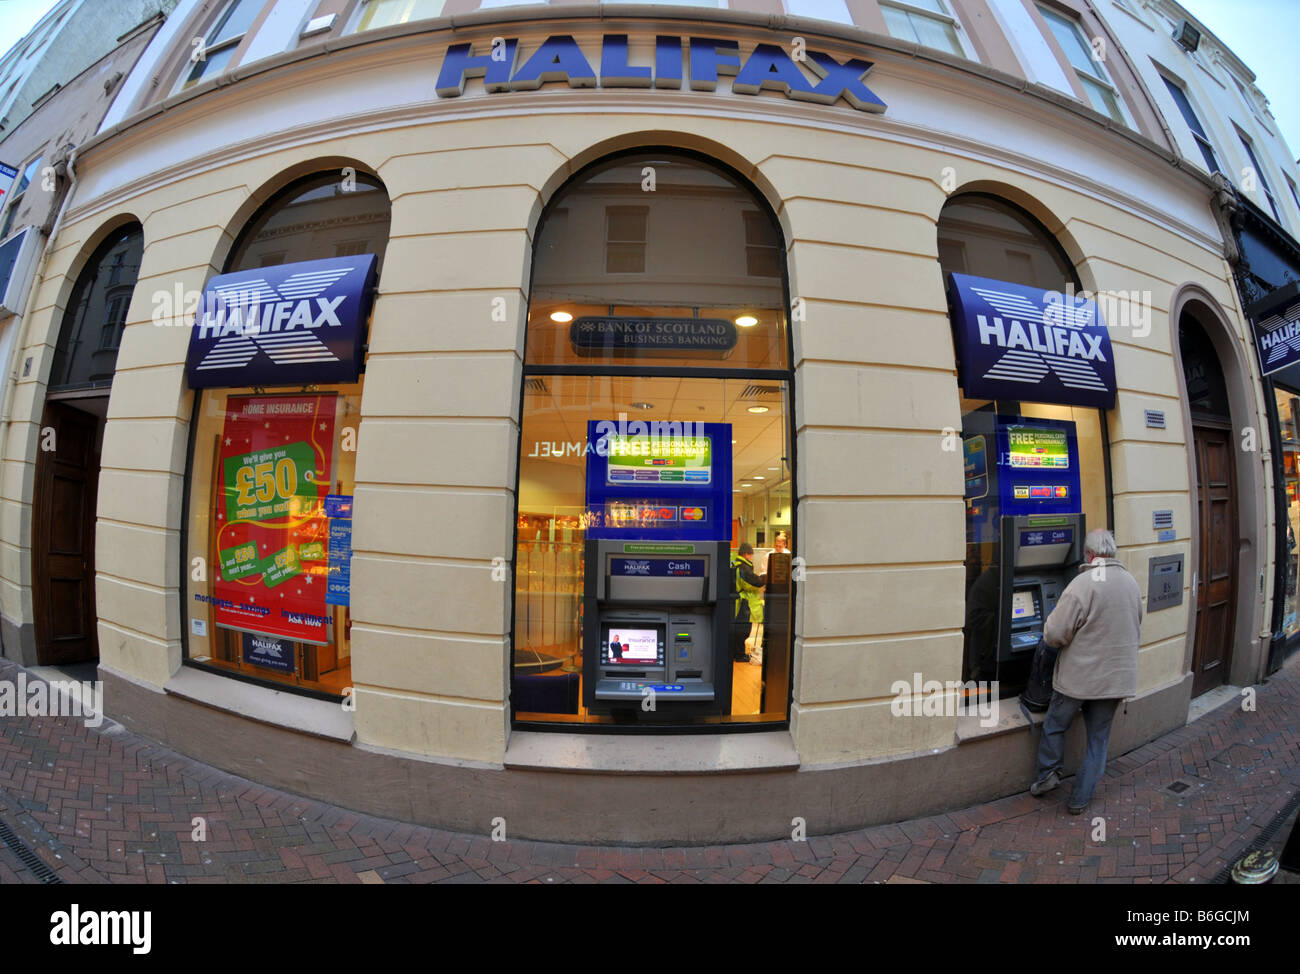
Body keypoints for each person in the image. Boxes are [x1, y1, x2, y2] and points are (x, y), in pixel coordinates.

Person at [1028, 528, 1142, 814]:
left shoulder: (1084, 583)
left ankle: (1047, 776)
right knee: (1098, 741)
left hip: (1078, 679)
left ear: (1089, 555)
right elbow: (1137, 623)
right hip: (1116, 679)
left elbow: (1054, 634)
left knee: (1055, 725)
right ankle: (1079, 799)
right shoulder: (1131, 582)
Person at [730, 542, 766, 663]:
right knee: (743, 630)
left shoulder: (736, 564)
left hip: (738, 602)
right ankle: (739, 655)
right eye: (751, 555)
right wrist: (763, 579)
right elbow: (753, 582)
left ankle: (736, 653)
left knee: (739, 629)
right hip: (743, 602)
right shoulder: (743, 567)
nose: (751, 557)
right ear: (746, 554)